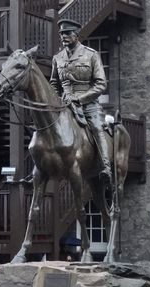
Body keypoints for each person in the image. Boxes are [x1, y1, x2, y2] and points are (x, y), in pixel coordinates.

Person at [50, 19, 112, 184]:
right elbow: (54, 84)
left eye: (67, 33)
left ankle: (105, 167)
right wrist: (57, 100)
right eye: (62, 34)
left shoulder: (91, 55)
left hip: (88, 103)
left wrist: (79, 98)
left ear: (76, 35)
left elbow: (101, 85)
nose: (64, 37)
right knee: (45, 127)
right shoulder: (58, 58)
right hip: (64, 104)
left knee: (97, 128)